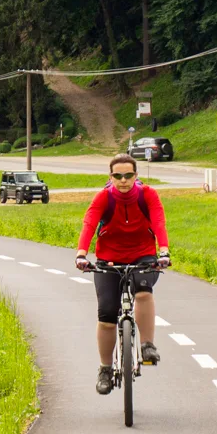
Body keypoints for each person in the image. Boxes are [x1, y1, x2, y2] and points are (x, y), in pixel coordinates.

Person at [74, 154, 171, 395]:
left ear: (136, 176)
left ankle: (147, 345)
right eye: (118, 176)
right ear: (111, 177)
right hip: (109, 258)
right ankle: (105, 369)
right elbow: (89, 223)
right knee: (107, 315)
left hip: (143, 255)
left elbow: (159, 220)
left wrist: (164, 250)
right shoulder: (103, 197)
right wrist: (81, 254)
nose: (123, 180)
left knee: (143, 290)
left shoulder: (147, 195)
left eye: (128, 175)